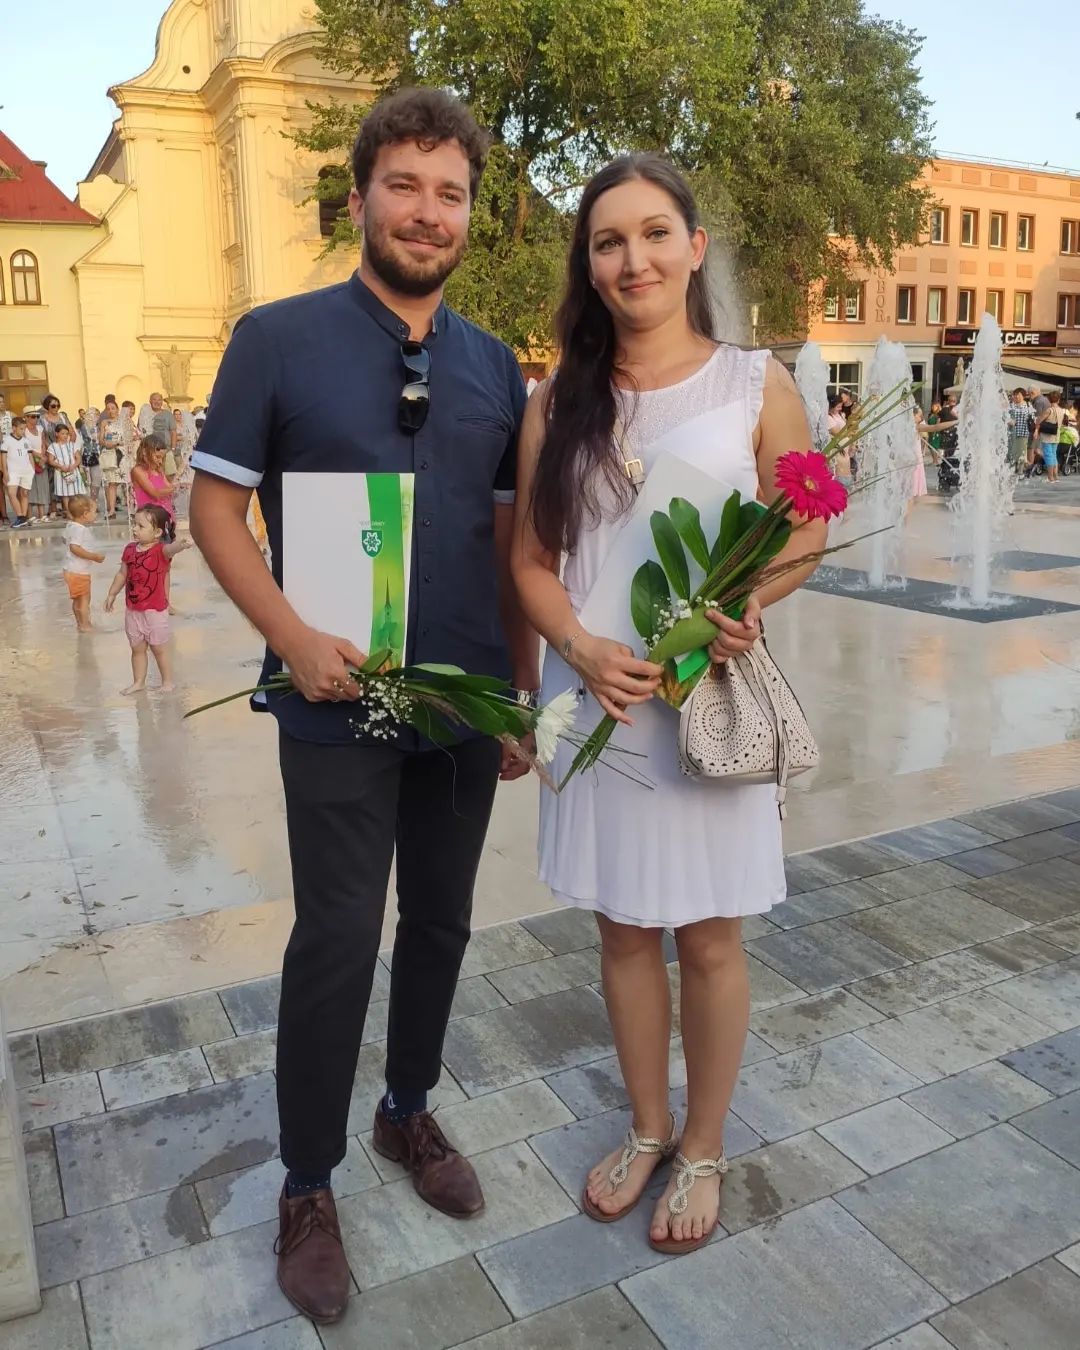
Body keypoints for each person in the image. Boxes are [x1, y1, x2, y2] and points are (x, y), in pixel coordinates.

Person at [188, 87, 539, 1326]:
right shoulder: (276, 340)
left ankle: (406, 1110)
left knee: (440, 922)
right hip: (334, 701)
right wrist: (291, 636)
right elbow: (214, 510)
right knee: (337, 937)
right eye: (406, 186)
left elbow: (512, 543)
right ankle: (306, 1183)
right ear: (359, 199)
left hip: (459, 701)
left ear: (469, 216)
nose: (428, 212)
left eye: (451, 194)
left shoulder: (494, 366)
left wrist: (519, 692)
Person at [511, 153, 823, 1257]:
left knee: (711, 937)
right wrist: (579, 648)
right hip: (599, 697)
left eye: (653, 234)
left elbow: (804, 530)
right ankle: (647, 1127)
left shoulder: (754, 384)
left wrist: (747, 602)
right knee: (624, 931)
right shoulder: (560, 399)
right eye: (608, 241)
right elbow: (533, 561)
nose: (632, 258)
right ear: (589, 265)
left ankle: (703, 1145)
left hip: (702, 702)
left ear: (695, 248)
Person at [104, 504, 191, 693]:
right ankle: (138, 682)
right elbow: (122, 574)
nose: (135, 529)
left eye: (140, 526)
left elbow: (171, 549)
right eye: (134, 524)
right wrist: (112, 593)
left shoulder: (160, 551)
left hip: (155, 611)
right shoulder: (129, 550)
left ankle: (167, 682)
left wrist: (180, 545)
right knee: (137, 649)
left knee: (159, 649)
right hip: (133, 611)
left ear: (158, 532)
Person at [63, 495, 106, 631]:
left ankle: (80, 623)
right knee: (84, 600)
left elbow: (66, 541)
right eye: (94, 511)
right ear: (85, 514)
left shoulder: (71, 525)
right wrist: (93, 557)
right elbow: (74, 548)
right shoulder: (80, 529)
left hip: (70, 569)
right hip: (79, 571)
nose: (96, 514)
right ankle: (86, 625)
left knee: (77, 600)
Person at [2, 415, 36, 527]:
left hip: (26, 471)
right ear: (14, 428)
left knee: (24, 494)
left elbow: (30, 456)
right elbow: (3, 457)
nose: (23, 431)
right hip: (13, 471)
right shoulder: (7, 440)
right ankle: (20, 516)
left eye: (24, 428)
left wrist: (32, 469)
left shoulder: (26, 441)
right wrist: (5, 472)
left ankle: (23, 518)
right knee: (11, 494)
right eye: (21, 428)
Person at [131, 434, 176, 518]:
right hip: (149, 520)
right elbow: (155, 493)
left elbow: (169, 488)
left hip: (166, 517)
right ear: (144, 452)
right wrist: (174, 488)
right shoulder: (138, 471)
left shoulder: (159, 471)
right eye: (157, 457)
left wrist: (176, 485)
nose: (160, 461)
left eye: (162, 458)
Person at [97, 397, 124, 518]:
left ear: (117, 409)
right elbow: (101, 440)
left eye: (113, 408)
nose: (111, 411)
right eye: (108, 409)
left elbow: (131, 436)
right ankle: (112, 510)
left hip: (123, 454)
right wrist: (107, 443)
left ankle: (132, 509)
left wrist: (119, 443)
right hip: (111, 454)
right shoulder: (105, 423)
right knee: (112, 483)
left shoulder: (124, 421)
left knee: (127, 482)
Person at [47, 423, 87, 504]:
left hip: (73, 471)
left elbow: (78, 458)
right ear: (57, 434)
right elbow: (50, 460)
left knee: (75, 492)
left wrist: (73, 466)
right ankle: (67, 510)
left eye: (66, 434)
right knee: (64, 494)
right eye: (63, 433)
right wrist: (60, 466)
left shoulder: (72, 445)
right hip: (61, 473)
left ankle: (75, 509)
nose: (65, 436)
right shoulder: (53, 446)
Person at [24, 409, 51, 524]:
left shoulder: (40, 429)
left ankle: (42, 514)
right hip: (28, 460)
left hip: (41, 461)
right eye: (32, 416)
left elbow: (43, 443)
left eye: (37, 417)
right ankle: (30, 515)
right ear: (26, 417)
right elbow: (26, 446)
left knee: (42, 486)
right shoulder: (24, 430)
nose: (35, 419)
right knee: (30, 488)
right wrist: (39, 456)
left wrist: (43, 456)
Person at [1035, 389, 1064, 483]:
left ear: (1049, 399)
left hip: (1047, 436)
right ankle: (1056, 477)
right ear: (1058, 399)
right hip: (1056, 435)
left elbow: (1039, 420)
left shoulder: (1049, 410)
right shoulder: (1061, 410)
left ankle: (1050, 477)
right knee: (1053, 455)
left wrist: (1036, 427)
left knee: (1048, 455)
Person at [78, 407, 103, 509]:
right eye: (93, 414)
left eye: (97, 415)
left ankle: (93, 502)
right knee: (90, 481)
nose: (95, 417)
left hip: (98, 455)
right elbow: (91, 438)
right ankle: (91, 503)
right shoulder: (85, 427)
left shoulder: (98, 426)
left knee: (96, 480)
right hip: (89, 455)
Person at [1008, 387, 1034, 474]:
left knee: (1022, 451)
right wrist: (1009, 421)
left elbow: (1033, 418)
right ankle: (1015, 468)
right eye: (1015, 395)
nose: (1016, 396)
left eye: (1018, 395)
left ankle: (1021, 470)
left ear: (1023, 396)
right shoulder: (1011, 405)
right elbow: (1004, 416)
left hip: (1024, 431)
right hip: (1012, 432)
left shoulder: (1028, 405)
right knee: (1013, 451)